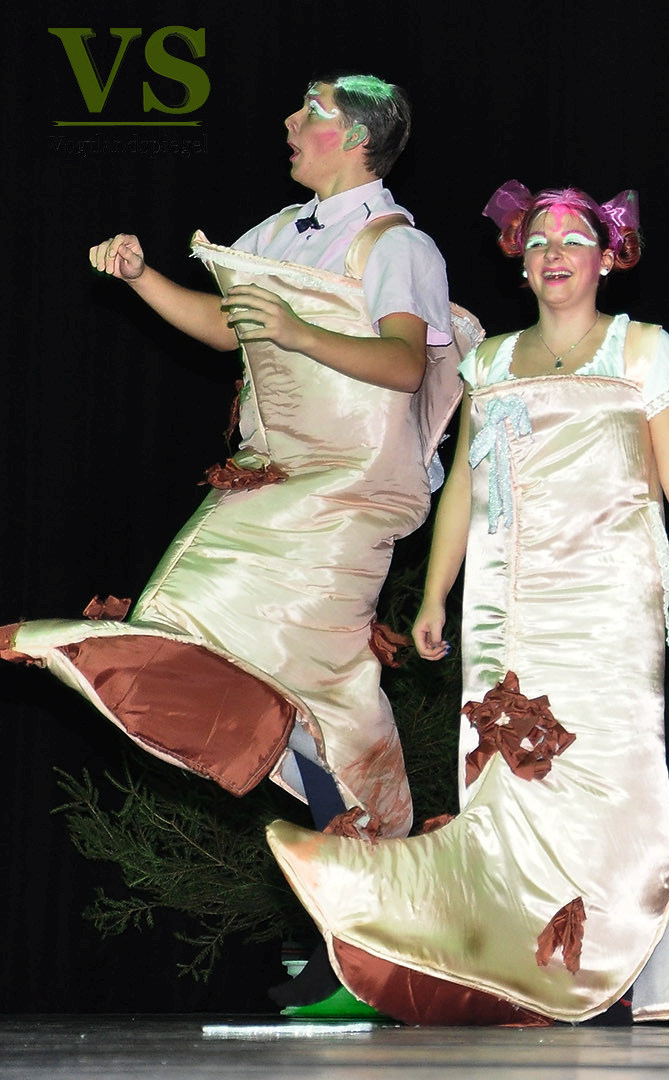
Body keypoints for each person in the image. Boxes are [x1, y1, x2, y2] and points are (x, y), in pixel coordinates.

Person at [264, 181, 669, 1025]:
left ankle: (611, 965)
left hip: (607, 603)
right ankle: (513, 963)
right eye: (540, 242)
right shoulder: (487, 363)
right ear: (522, 264)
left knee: (610, 777)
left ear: (607, 260)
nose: (555, 253)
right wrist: (436, 593)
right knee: (506, 788)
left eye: (574, 241)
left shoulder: (643, 350)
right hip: (505, 611)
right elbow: (464, 488)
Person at [2, 75, 460, 849]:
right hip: (271, 475)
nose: (289, 120)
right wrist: (141, 277)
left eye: (310, 111)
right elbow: (226, 327)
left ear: (355, 139)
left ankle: (375, 829)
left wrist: (297, 330)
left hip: (351, 486)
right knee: (211, 630)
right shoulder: (280, 230)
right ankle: (351, 824)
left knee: (303, 664)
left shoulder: (398, 245)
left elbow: (405, 362)